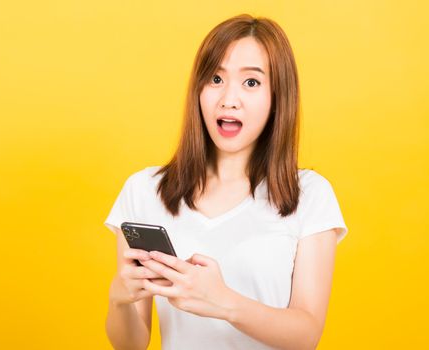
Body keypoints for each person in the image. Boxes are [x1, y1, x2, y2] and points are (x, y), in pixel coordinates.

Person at [103, 13, 348, 350]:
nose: (228, 99)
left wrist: (224, 302)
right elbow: (131, 345)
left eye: (251, 82)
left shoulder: (309, 195)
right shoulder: (144, 191)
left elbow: (306, 335)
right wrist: (120, 298)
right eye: (215, 79)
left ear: (278, 96)